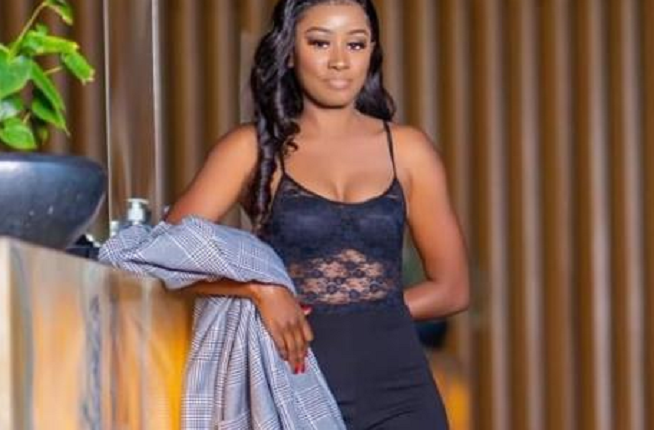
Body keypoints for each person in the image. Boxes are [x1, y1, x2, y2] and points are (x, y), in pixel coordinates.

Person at [164, 0, 470, 428]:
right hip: (294, 384)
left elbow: (453, 289)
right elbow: (163, 256)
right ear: (290, 52)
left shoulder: (408, 150)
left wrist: (367, 310)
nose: (340, 61)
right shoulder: (250, 148)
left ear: (372, 52)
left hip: (402, 394)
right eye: (321, 43)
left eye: (356, 44)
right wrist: (260, 291)